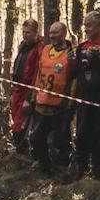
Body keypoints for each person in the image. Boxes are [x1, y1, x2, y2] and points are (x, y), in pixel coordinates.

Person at [69, 10, 100, 179]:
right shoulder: (81, 47)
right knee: (82, 133)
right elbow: (75, 73)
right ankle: (80, 171)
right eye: (85, 26)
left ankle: (99, 173)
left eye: (89, 25)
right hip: (83, 98)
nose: (86, 29)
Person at [28, 20, 74, 175]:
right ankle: (44, 168)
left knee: (58, 141)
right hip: (41, 103)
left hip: (60, 107)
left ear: (64, 33)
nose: (52, 36)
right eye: (50, 33)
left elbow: (74, 80)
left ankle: (61, 171)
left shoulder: (71, 53)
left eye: (56, 32)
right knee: (36, 138)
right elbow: (38, 75)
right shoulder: (46, 50)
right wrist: (33, 97)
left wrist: (71, 102)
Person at [9, 20, 43, 155]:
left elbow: (36, 74)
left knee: (21, 125)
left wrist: (29, 97)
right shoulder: (23, 46)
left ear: (35, 33)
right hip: (17, 89)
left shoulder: (39, 48)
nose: (25, 35)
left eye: (28, 32)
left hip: (27, 91)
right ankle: (20, 154)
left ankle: (24, 154)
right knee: (15, 122)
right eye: (23, 32)